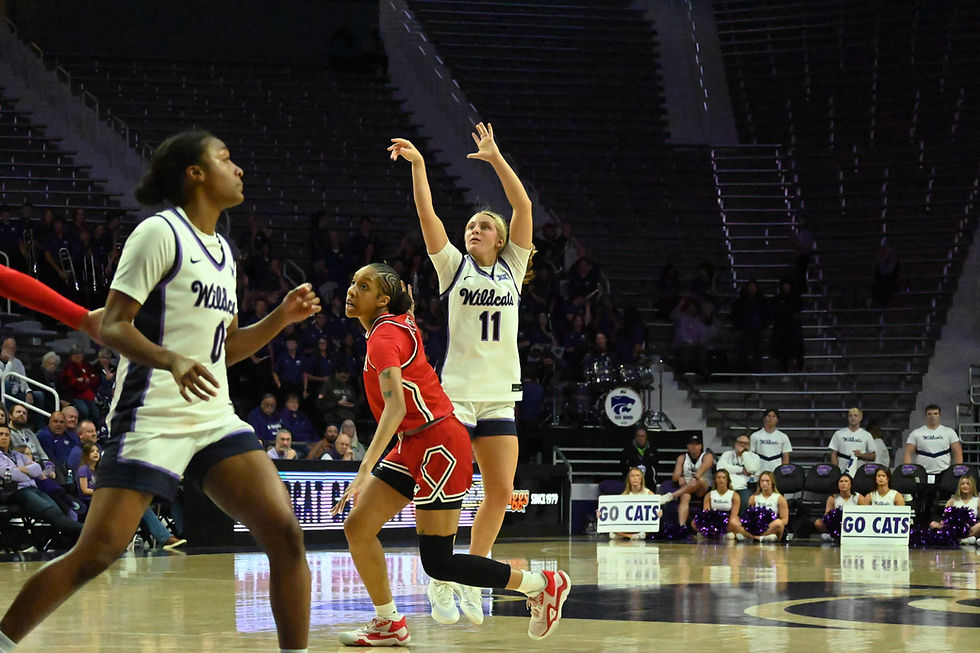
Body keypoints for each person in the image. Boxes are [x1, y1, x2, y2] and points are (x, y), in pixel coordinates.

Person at [0, 131, 319, 653]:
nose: (237, 168)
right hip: (151, 414)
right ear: (195, 173)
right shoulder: (159, 233)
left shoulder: (224, 251)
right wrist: (170, 357)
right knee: (97, 552)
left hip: (214, 418)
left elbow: (226, 349)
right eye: (226, 157)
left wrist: (280, 318)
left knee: (285, 535)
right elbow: (116, 327)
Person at [333, 263, 570, 645]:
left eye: (363, 285)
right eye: (352, 282)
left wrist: (363, 471)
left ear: (382, 299)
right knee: (358, 526)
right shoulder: (394, 323)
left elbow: (394, 411)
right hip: (414, 442)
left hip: (438, 445)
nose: (351, 290)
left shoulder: (382, 339)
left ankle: (542, 584)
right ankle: (389, 622)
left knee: (438, 561)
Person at [389, 122, 535, 625]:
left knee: (499, 490)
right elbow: (427, 214)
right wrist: (420, 166)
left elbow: (524, 209)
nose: (475, 229)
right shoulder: (453, 267)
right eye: (471, 225)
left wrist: (494, 157)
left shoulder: (513, 267)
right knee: (443, 492)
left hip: (498, 397)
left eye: (483, 226)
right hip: (453, 398)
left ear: (500, 240)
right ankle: (440, 580)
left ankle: (473, 576)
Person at [75, 441, 185, 550]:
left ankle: (177, 535)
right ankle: (161, 538)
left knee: (147, 505)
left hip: (110, 498)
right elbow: (85, 490)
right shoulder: (84, 469)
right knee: (139, 507)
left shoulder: (100, 470)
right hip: (93, 501)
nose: (96, 453)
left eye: (97, 451)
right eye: (92, 451)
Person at [0, 424, 82, 545]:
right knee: (55, 516)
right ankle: (86, 531)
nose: (4, 437)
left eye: (7, 434)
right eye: (1, 434)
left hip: (31, 489)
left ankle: (72, 536)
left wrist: (21, 471)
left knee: (57, 513)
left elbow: (37, 468)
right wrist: (26, 472)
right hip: (12, 493)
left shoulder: (16, 454)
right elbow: (12, 475)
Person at [904, 404, 962, 518]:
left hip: (944, 473)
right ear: (925, 416)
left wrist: (956, 472)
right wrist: (909, 472)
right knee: (923, 502)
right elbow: (907, 454)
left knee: (944, 502)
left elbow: (958, 453)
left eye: (935, 414)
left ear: (939, 415)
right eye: (929, 414)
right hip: (923, 473)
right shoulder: (917, 433)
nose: (932, 417)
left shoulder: (949, 432)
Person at [661, 434, 715, 528]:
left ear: (701, 446)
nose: (694, 447)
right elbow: (675, 476)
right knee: (685, 497)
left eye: (696, 444)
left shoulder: (707, 456)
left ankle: (672, 495)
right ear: (687, 446)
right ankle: (682, 526)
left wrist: (694, 479)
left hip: (702, 488)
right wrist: (680, 478)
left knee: (700, 480)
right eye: (691, 444)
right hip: (686, 487)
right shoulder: (682, 458)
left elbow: (702, 470)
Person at [716, 434, 761, 514]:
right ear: (735, 444)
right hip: (728, 487)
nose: (742, 445)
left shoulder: (754, 456)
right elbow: (720, 467)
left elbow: (751, 469)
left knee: (745, 502)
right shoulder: (728, 454)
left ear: (749, 446)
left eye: (746, 443)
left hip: (745, 487)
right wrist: (741, 470)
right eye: (740, 442)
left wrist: (744, 453)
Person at [930, 476, 980, 545]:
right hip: (953, 529)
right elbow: (945, 518)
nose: (965, 486)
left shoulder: (978, 501)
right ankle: (963, 540)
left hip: (970, 529)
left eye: (968, 484)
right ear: (959, 486)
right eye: (962, 484)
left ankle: (961, 539)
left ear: (972, 486)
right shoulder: (952, 501)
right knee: (933, 524)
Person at [608, 467, 655, 540]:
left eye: (637, 475)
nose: (635, 478)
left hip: (641, 526)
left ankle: (629, 536)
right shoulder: (624, 495)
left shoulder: (649, 494)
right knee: (612, 534)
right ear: (629, 479)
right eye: (632, 476)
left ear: (641, 478)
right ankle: (629, 536)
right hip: (628, 525)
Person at [59, 346, 101, 423]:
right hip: (74, 395)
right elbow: (71, 383)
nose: (78, 356)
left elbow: (95, 379)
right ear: (71, 355)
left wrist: (83, 380)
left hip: (89, 395)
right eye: (75, 354)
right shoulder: (68, 367)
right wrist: (84, 380)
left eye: (80, 353)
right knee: (84, 411)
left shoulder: (87, 366)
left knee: (96, 413)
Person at [744, 471, 789, 542]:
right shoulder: (753, 498)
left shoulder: (780, 498)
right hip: (757, 526)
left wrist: (772, 524)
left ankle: (755, 537)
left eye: (767, 481)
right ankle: (763, 538)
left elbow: (785, 520)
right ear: (759, 483)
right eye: (762, 481)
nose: (764, 483)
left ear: (772, 483)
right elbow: (749, 516)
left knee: (779, 523)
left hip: (773, 526)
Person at [813, 473, 860, 540]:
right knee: (818, 523)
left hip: (854, 523)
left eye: (846, 481)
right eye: (841, 481)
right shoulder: (832, 498)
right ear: (837, 484)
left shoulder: (858, 497)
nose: (843, 483)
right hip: (837, 524)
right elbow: (827, 514)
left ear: (851, 484)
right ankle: (832, 535)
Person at [828, 408, 875, 473]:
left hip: (859, 469)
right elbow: (834, 453)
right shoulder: (839, 434)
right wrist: (836, 470)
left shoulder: (867, 435)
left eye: (855, 415)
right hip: (842, 469)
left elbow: (873, 456)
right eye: (850, 416)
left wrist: (861, 455)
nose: (853, 418)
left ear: (860, 418)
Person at [699, 469, 741, 540]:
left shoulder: (734, 495)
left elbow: (734, 515)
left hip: (728, 519)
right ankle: (724, 535)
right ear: (715, 480)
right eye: (718, 478)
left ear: (727, 480)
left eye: (724, 478)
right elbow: (706, 513)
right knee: (694, 522)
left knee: (734, 521)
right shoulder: (709, 495)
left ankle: (713, 534)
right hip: (713, 519)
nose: (721, 480)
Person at [750, 409, 792, 473]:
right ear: (764, 418)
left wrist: (783, 472)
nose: (771, 418)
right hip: (759, 469)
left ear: (777, 420)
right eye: (768, 416)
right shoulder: (755, 436)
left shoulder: (783, 436)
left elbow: (785, 457)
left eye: (773, 416)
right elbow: (751, 454)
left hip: (776, 469)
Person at [0, 338, 33, 410]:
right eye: (9, 347)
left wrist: (28, 391)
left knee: (39, 395)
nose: (11, 350)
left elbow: (24, 380)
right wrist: (10, 362)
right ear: (3, 347)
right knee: (7, 384)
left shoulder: (18, 363)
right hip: (2, 390)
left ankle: (41, 421)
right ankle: (7, 414)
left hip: (16, 391)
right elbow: (3, 379)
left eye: (13, 348)